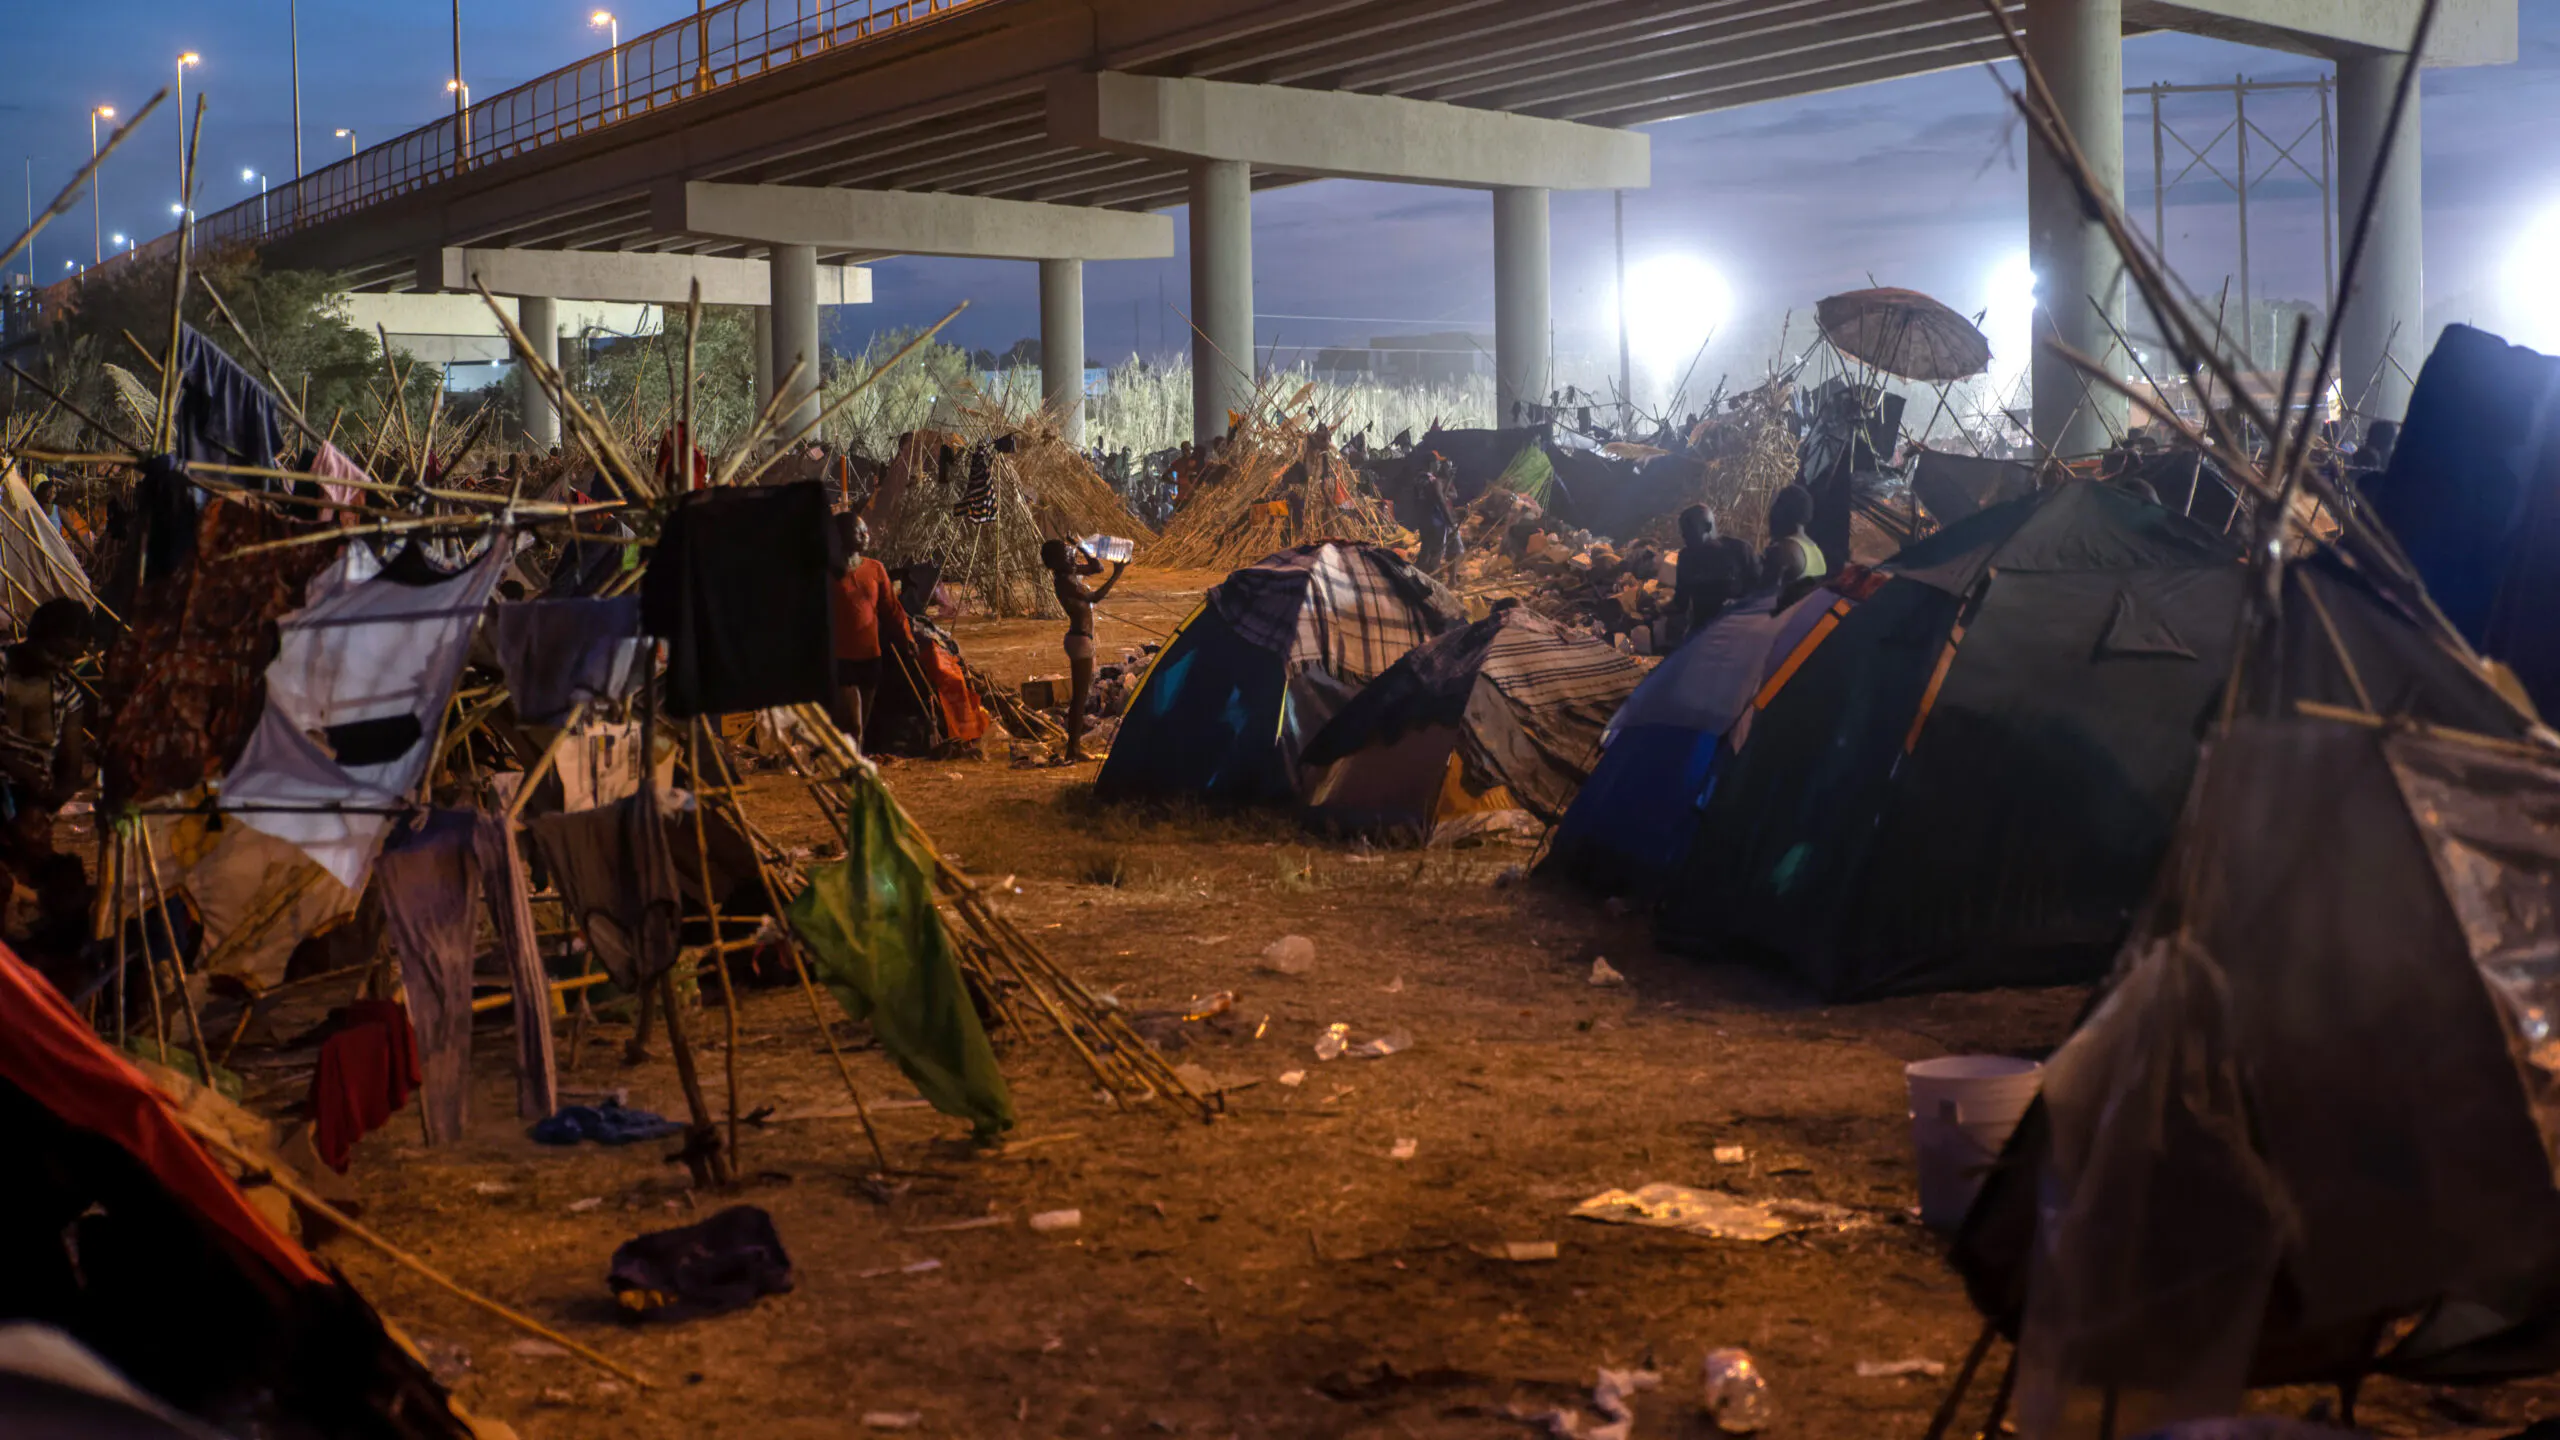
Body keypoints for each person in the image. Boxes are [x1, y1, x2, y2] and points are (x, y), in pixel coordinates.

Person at [0, 599, 90, 917]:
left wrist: (42, 807)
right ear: (33, 635)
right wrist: (16, 767)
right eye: (53, 653)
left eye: (69, 659)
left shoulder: (67, 694)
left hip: (28, 799)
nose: (60, 665)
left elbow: (70, 770)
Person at [828, 515, 911, 747]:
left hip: (870, 660)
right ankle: (852, 764)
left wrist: (907, 638)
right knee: (853, 725)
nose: (866, 536)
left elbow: (892, 610)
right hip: (840, 661)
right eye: (859, 531)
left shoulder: (875, 569)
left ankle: (852, 763)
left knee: (859, 729)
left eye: (866, 530)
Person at [1041, 538, 1126, 763]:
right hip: (1079, 641)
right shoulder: (1065, 581)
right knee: (1079, 699)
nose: (1072, 555)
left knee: (1081, 697)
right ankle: (1073, 750)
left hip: (1080, 639)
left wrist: (1081, 546)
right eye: (1067, 553)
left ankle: (1074, 748)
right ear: (1057, 561)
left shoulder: (1069, 573)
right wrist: (1117, 574)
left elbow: (1097, 567)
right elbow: (1094, 597)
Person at [1672, 504, 1756, 637]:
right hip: (1703, 633)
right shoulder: (1686, 558)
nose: (1684, 535)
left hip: (1739, 629)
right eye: (1683, 530)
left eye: (1689, 529)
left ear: (1708, 526)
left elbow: (1762, 593)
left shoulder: (1740, 551)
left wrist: (1738, 605)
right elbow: (1680, 602)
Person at [1758, 484, 1828, 605]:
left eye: (1778, 505)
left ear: (1785, 512)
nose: (1772, 512)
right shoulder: (1814, 549)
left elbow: (1759, 600)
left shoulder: (1784, 551)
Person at [1417, 456, 1461, 575]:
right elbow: (1439, 501)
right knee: (1435, 550)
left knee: (1438, 549)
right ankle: (1428, 576)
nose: (1439, 465)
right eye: (1438, 463)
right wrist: (1449, 519)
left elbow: (1453, 495)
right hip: (1436, 519)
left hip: (1438, 518)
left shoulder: (1440, 481)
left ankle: (1446, 577)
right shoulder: (1431, 480)